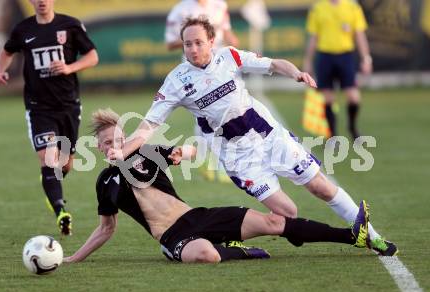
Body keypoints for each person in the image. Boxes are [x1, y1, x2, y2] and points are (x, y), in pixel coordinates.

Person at [107, 17, 397, 256]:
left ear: (211, 42)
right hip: (237, 156)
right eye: (187, 44)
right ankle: (230, 237)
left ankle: (372, 236)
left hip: (269, 136)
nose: (193, 49)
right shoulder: (176, 82)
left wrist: (296, 73)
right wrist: (123, 151)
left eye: (198, 42)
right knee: (287, 212)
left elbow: (273, 64)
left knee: (320, 186)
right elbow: (147, 126)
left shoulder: (229, 55)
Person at [63, 108, 370, 264]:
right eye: (107, 143)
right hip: (172, 236)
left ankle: (351, 235)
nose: (113, 145)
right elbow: (106, 228)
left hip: (197, 216)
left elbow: (186, 152)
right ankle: (236, 251)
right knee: (207, 256)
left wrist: (185, 152)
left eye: (118, 139)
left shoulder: (145, 152)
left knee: (276, 221)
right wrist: (74, 258)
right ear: (100, 148)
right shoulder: (105, 182)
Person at [0, 0, 98, 235]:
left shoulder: (70, 25)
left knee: (65, 164)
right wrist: (0, 71)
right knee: (49, 158)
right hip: (39, 108)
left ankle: (51, 183)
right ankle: (60, 209)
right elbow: (7, 51)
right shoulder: (23, 29)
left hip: (69, 106)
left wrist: (70, 68)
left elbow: (92, 56)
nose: (42, 1)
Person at [165, 0, 239, 183]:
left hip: (221, 67)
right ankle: (208, 159)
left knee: (231, 112)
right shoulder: (180, 11)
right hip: (195, 71)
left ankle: (221, 163)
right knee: (205, 115)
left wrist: (232, 39)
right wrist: (195, 40)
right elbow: (169, 43)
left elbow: (226, 29)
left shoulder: (220, 5)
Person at [303, 0, 372, 139]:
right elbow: (313, 37)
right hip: (325, 56)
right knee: (327, 98)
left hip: (345, 56)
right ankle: (332, 135)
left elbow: (359, 35)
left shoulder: (353, 7)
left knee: (353, 97)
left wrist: (366, 58)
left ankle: (352, 127)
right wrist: (308, 61)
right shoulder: (318, 8)